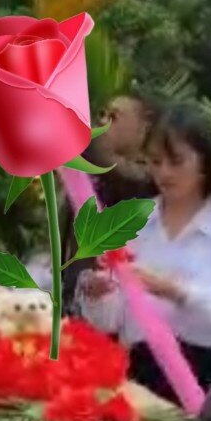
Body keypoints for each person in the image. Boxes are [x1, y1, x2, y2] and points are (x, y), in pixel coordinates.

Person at [77, 104, 211, 400]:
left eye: (176, 161)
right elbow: (113, 320)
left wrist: (172, 290)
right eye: (155, 161)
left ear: (205, 162)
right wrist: (98, 293)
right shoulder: (134, 220)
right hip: (144, 375)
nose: (164, 172)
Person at [60, 92, 159, 311]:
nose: (103, 122)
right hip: (74, 297)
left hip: (119, 308)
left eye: (114, 117)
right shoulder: (93, 167)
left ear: (144, 128)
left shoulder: (154, 178)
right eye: (103, 115)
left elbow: (124, 175)